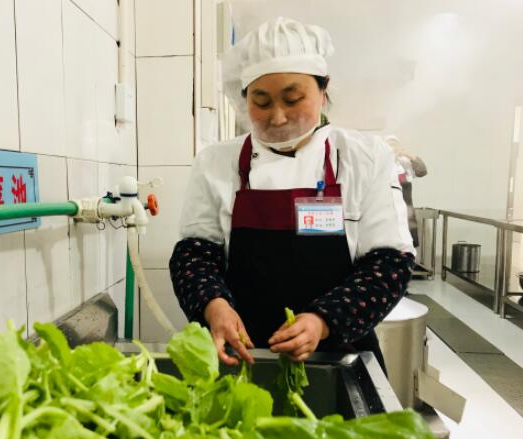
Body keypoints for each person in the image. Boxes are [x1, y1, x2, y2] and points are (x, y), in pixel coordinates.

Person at [169, 17, 415, 370]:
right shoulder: (216, 162)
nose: (278, 117)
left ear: (323, 89)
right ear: (244, 99)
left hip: (340, 353)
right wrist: (214, 306)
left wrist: (322, 320)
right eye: (262, 101)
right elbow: (194, 255)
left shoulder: (365, 157)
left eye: (293, 98)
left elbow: (390, 263)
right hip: (242, 353)